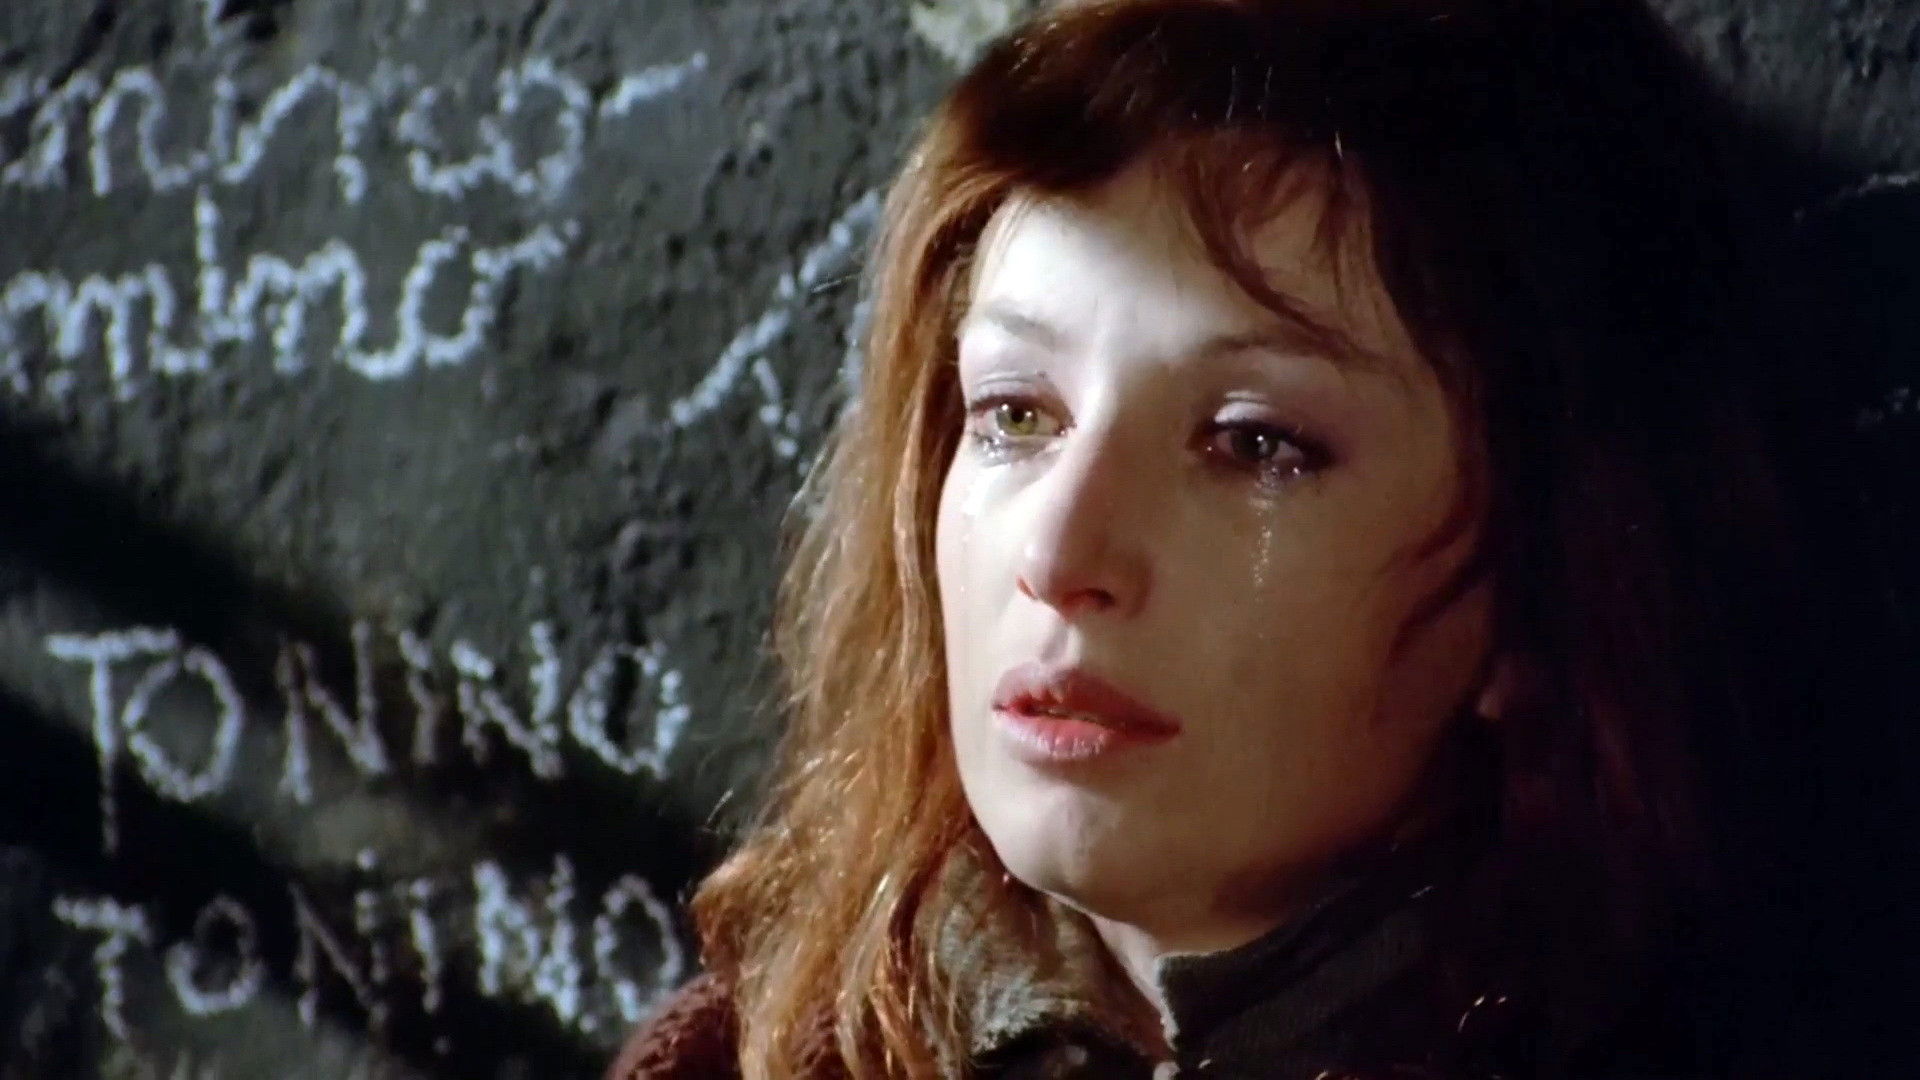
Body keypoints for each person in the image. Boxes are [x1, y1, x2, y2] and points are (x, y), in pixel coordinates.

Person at [608, 1, 1822, 1076]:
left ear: (1544, 585)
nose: (1059, 557)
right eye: (1016, 414)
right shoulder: (735, 1055)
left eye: (1255, 445)